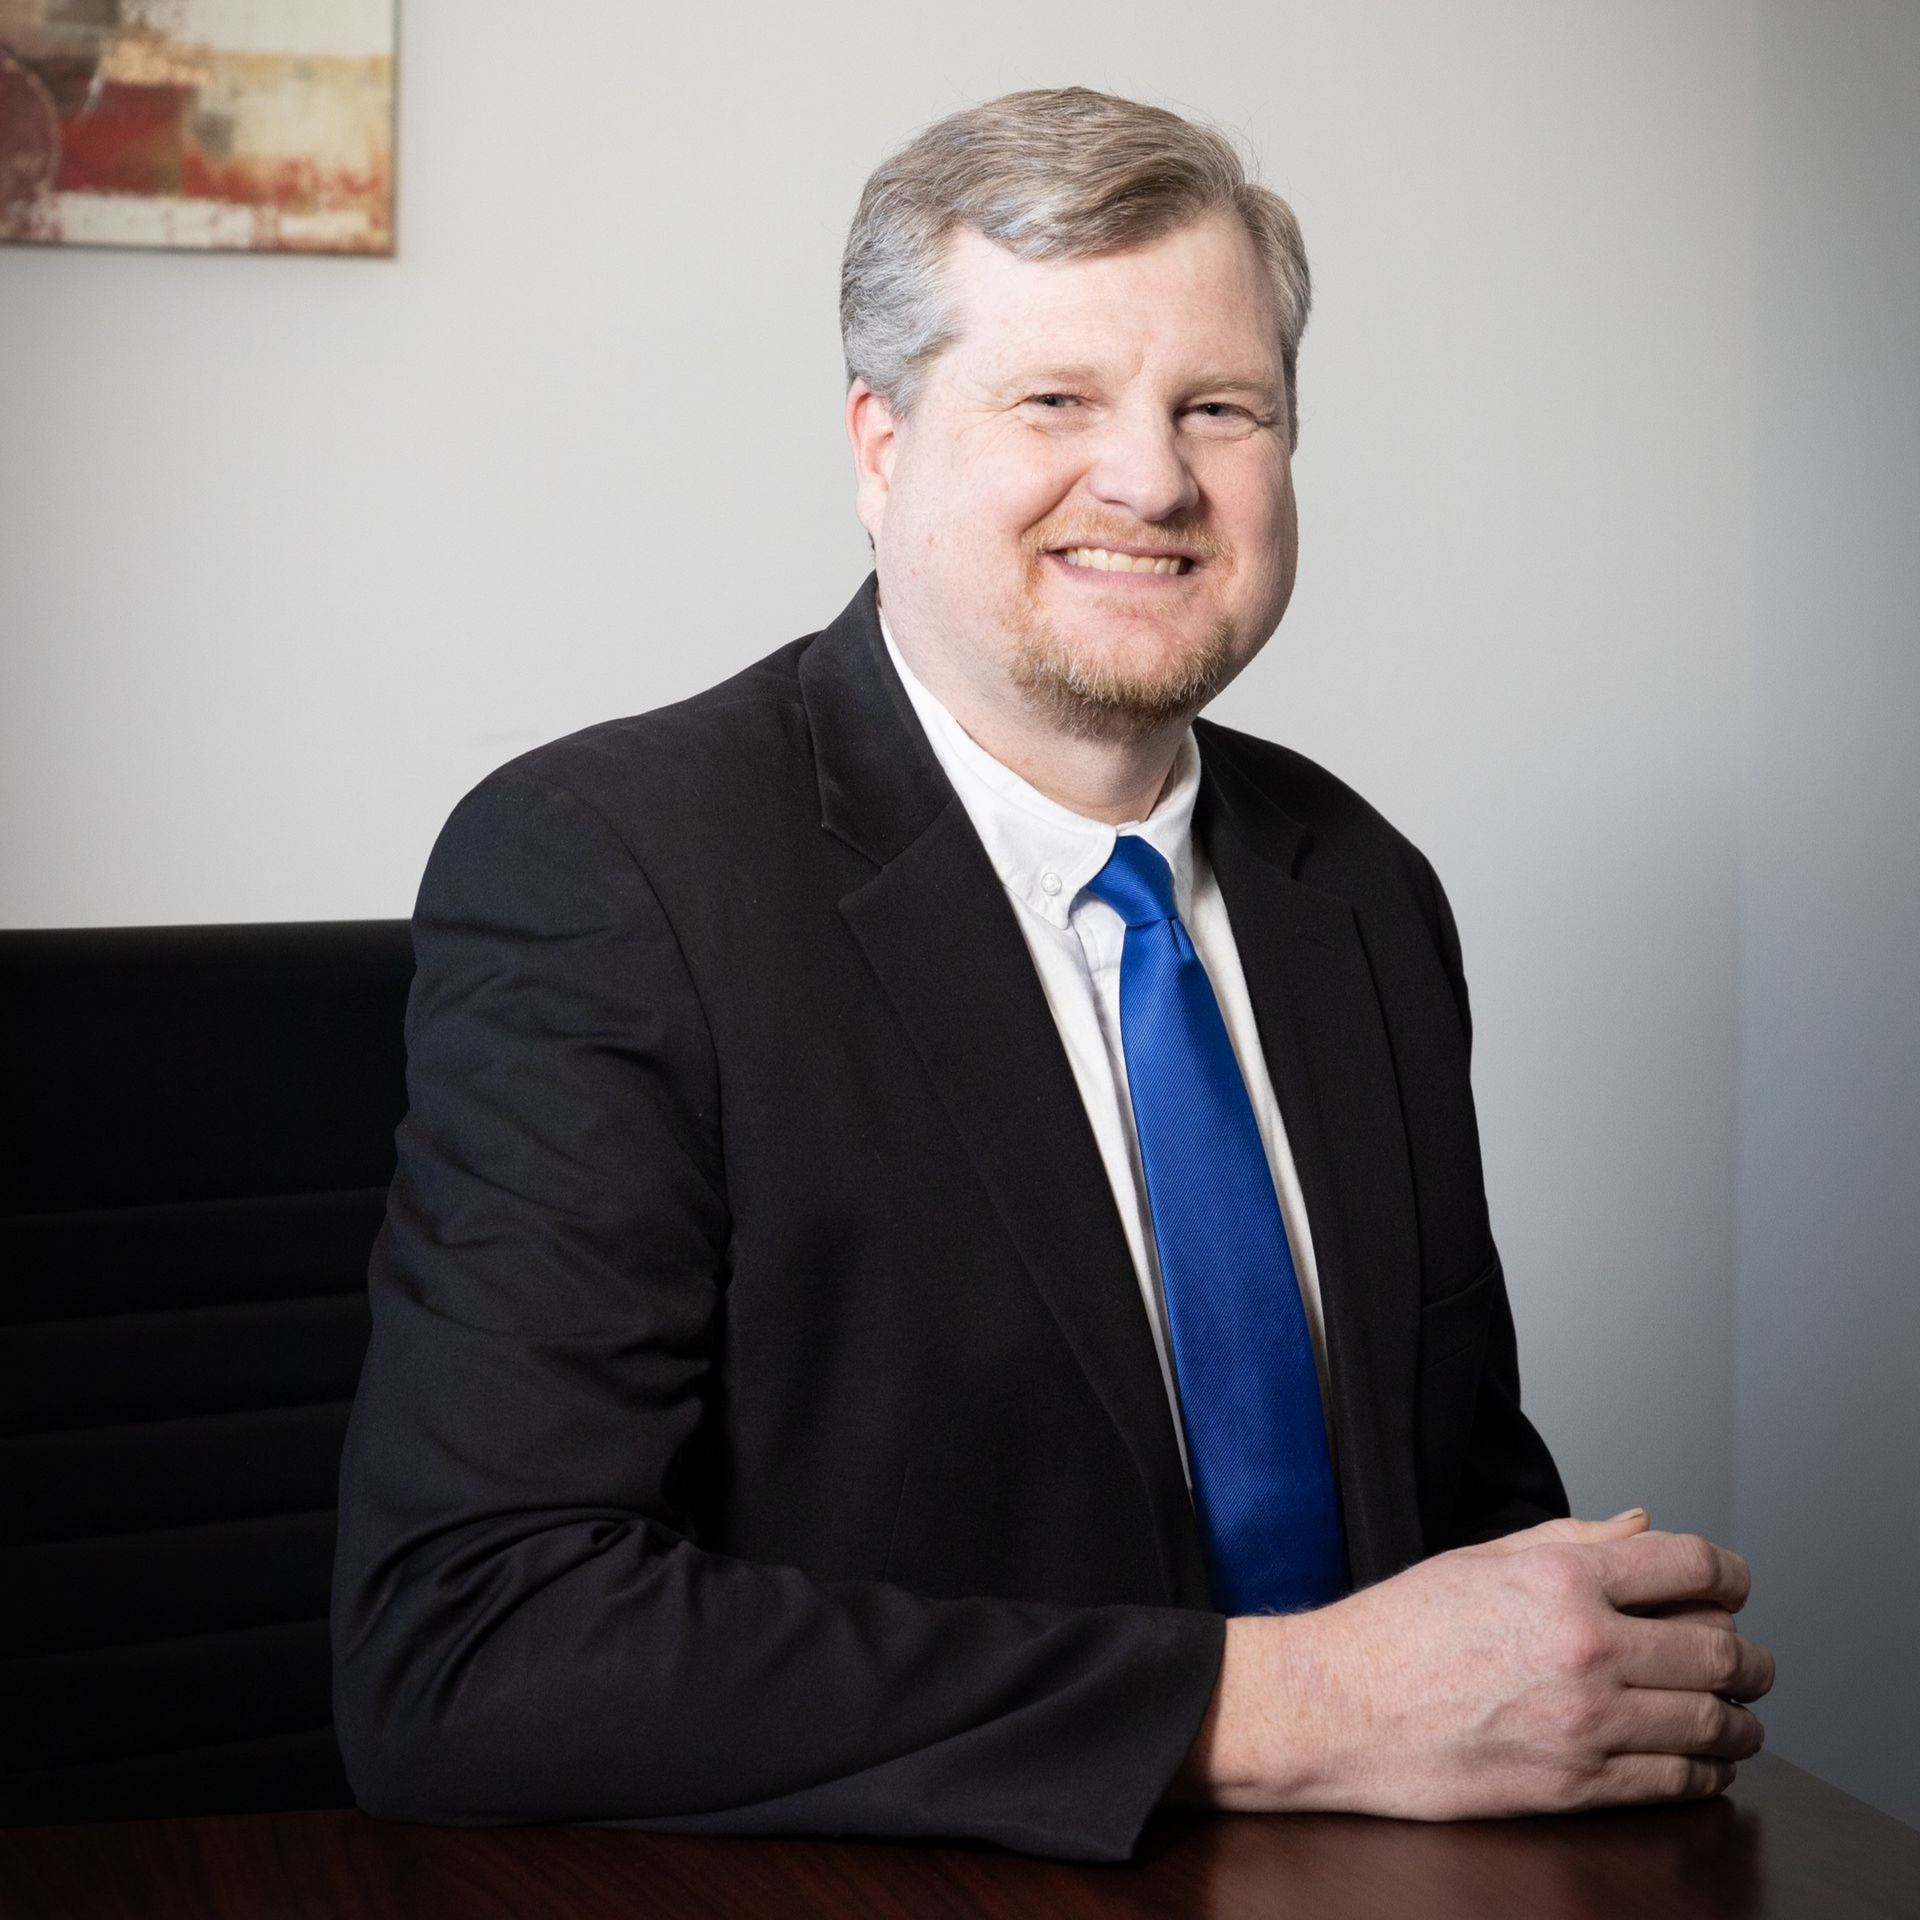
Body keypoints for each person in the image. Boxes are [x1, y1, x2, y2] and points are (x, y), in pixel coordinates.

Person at [331, 86, 1772, 1863]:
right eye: (1056, 400)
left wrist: (1586, 1670)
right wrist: (1296, 1706)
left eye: (1220, 408)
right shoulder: (617, 871)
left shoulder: (1363, 892)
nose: (1153, 478)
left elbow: (1456, 1525)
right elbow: (476, 1645)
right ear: (878, 446)